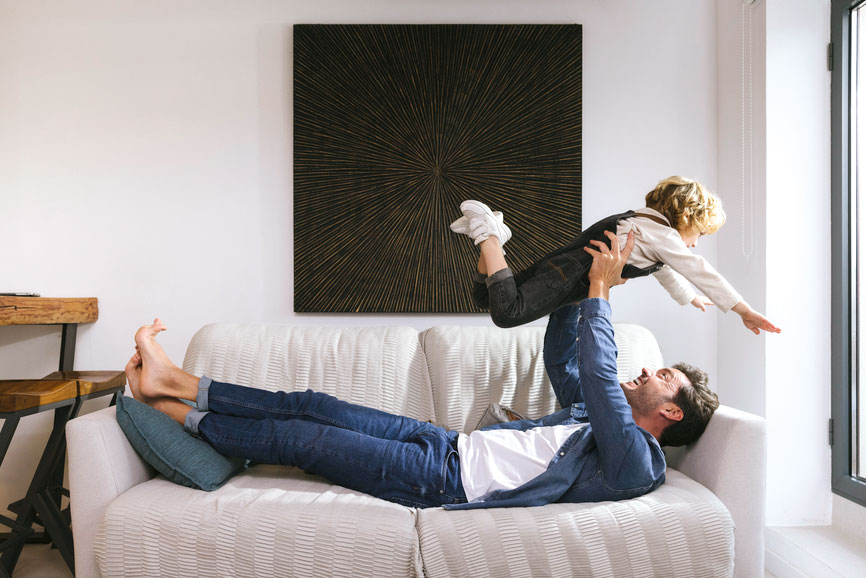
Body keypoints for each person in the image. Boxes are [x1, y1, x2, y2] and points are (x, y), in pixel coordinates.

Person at [126, 231, 718, 508]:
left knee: (297, 439)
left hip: (438, 481)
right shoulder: (595, 415)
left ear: (670, 413)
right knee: (313, 402)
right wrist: (571, 285)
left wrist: (600, 292)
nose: (648, 372)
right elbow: (567, 358)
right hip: (443, 444)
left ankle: (174, 413)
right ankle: (176, 381)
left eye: (663, 377)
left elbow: (596, 371)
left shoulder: (637, 464)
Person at [450, 175, 781, 334]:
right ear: (686, 219)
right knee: (507, 313)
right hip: (569, 277)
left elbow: (663, 270)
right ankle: (489, 235)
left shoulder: (641, 225)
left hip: (561, 266)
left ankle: (495, 233)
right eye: (699, 234)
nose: (694, 244)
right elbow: (700, 269)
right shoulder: (662, 235)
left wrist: (688, 298)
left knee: (484, 295)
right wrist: (743, 309)